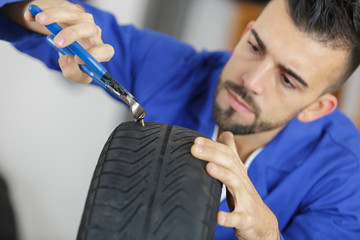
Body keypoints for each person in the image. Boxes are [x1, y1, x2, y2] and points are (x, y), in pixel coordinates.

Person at [1, 0, 360, 239]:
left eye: (286, 79)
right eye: (255, 46)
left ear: (317, 107)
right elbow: (36, 17)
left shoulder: (347, 179)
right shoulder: (178, 70)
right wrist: (39, 15)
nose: (250, 81)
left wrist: (267, 234)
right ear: (247, 30)